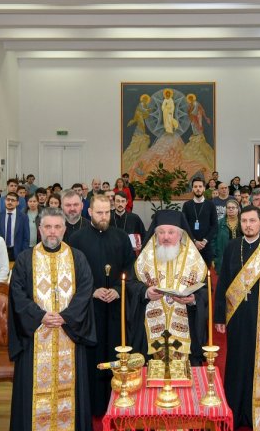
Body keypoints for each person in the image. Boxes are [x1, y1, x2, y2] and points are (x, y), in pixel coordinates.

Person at [8, 208, 96, 431]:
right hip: (37, 333)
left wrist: (66, 317)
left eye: (58, 227)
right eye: (48, 227)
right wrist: (41, 316)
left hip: (68, 331)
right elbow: (17, 293)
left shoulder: (77, 257)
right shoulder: (26, 259)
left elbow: (85, 289)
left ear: (64, 229)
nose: (53, 232)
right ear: (40, 229)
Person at [215, 207, 260, 431]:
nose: (247, 225)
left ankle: (259, 417)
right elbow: (224, 282)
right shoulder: (233, 247)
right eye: (244, 221)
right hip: (236, 318)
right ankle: (234, 415)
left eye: (252, 221)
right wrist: (219, 317)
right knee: (236, 364)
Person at [68, 195, 136, 417]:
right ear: (89, 212)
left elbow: (130, 268)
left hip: (115, 306)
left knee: (116, 350)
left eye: (107, 212)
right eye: (99, 212)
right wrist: (92, 291)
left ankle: (118, 398)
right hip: (89, 308)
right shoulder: (76, 239)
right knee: (92, 354)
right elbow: (71, 274)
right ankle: (92, 404)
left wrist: (117, 289)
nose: (104, 216)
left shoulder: (121, 237)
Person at [132, 209, 209, 365]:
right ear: (155, 234)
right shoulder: (144, 258)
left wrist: (194, 299)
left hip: (186, 327)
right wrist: (145, 292)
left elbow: (205, 291)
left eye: (171, 232)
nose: (165, 237)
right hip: (151, 330)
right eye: (161, 232)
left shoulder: (194, 258)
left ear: (180, 235)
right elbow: (131, 285)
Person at [181, 176, 218, 265]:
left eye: (200, 186)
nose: (198, 189)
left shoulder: (210, 205)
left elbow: (215, 225)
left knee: (206, 274)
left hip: (207, 245)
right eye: (195, 186)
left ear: (204, 188)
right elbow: (184, 226)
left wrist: (205, 241)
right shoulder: (187, 205)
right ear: (192, 189)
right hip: (191, 245)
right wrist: (194, 241)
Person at [211, 198, 241, 264]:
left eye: (233, 207)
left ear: (237, 209)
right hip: (223, 257)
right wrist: (214, 258)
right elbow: (213, 241)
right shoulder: (219, 223)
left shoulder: (242, 223)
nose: (230, 209)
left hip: (239, 256)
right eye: (228, 207)